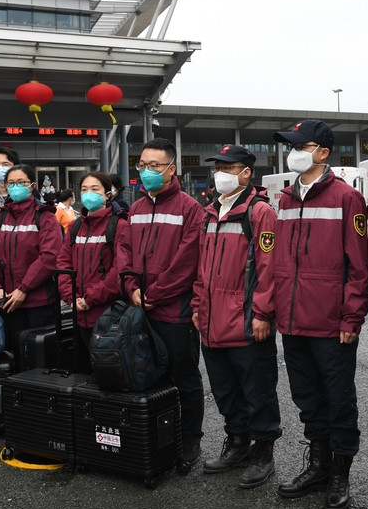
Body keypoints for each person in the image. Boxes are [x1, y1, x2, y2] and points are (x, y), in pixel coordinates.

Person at [271, 120, 368, 509]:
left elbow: (359, 267)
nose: (293, 151)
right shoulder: (286, 199)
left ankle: (340, 473)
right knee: (308, 399)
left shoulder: (347, 198)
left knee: (338, 401)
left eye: (301, 145)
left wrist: (351, 318)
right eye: (290, 145)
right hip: (293, 321)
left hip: (331, 324)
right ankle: (319, 465)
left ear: (323, 152)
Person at [191, 144, 281, 488]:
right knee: (226, 391)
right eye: (219, 167)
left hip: (246, 323)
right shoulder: (209, 212)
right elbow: (202, 268)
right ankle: (238, 444)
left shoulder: (259, 212)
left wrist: (262, 313)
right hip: (212, 322)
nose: (221, 174)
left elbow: (269, 269)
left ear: (246, 173)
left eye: (228, 168)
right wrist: (198, 307)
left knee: (257, 391)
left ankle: (263, 453)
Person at [119, 137, 205, 474]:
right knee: (149, 375)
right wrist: (131, 287)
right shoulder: (136, 207)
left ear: (172, 169)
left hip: (174, 310)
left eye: (155, 166)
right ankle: (158, 434)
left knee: (184, 377)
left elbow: (188, 261)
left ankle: (190, 439)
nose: (147, 171)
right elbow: (124, 252)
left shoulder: (189, 208)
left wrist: (155, 293)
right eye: (143, 164)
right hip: (141, 308)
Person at [56, 171, 127, 370]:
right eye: (84, 189)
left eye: (95, 189)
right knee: (83, 372)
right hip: (78, 314)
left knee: (109, 372)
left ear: (108, 193)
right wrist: (71, 297)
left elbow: (118, 271)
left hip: (108, 315)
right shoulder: (75, 226)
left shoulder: (119, 225)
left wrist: (89, 299)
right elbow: (63, 264)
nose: (89, 194)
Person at [0, 164, 63, 339]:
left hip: (38, 301)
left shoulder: (45, 216)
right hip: (7, 300)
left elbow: (49, 257)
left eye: (21, 182)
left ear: (32, 186)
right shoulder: (2, 216)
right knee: (14, 354)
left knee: (39, 355)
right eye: (11, 183)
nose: (15, 187)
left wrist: (23, 289)